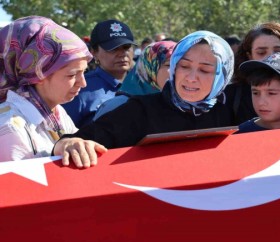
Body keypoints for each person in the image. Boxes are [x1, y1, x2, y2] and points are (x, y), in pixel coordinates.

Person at [52, 30, 235, 168]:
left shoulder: (232, 109)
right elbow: (81, 140)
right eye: (184, 66)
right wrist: (69, 143)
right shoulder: (139, 111)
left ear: (223, 75)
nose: (191, 77)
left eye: (204, 70)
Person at [0, 16, 92, 161]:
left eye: (84, 72)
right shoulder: (9, 127)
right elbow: (19, 181)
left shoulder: (55, 111)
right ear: (38, 75)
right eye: (72, 75)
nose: (83, 83)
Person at [62, 19, 136, 127]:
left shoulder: (142, 84)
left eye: (126, 47)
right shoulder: (80, 88)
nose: (122, 54)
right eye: (113, 49)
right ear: (94, 52)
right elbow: (65, 135)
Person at [94, 40, 176, 119]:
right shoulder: (117, 107)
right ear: (149, 67)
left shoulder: (183, 106)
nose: (176, 70)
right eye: (169, 65)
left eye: (183, 66)